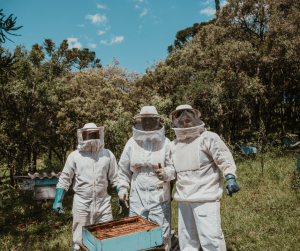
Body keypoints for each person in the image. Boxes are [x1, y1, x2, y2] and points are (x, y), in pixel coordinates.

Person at [169, 104, 240, 251]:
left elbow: (223, 157)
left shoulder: (208, 138)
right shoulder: (173, 145)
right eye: (181, 121)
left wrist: (230, 176)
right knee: (187, 240)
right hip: (183, 199)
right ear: (175, 123)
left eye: (188, 119)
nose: (185, 123)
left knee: (211, 239)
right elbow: (171, 171)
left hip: (206, 196)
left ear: (196, 119)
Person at [117, 106, 176, 250]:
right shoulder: (132, 142)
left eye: (151, 120)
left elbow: (174, 168)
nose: (147, 123)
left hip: (159, 192)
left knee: (162, 231)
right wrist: (123, 187)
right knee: (136, 230)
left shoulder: (166, 142)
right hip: (137, 192)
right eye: (145, 120)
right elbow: (123, 169)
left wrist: (166, 173)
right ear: (139, 122)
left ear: (157, 121)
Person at [53, 123, 119, 251]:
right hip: (82, 204)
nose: (91, 138)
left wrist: (121, 194)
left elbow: (115, 178)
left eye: (94, 134)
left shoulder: (107, 154)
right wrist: (58, 200)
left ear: (99, 134)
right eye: (88, 134)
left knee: (107, 238)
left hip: (103, 203)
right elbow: (65, 179)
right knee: (79, 241)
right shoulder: (75, 156)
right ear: (82, 135)